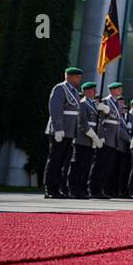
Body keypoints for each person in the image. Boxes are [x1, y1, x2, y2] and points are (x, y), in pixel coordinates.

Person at [43, 67, 82, 198]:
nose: (79, 79)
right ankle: (50, 188)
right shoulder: (60, 88)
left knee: (62, 162)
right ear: (69, 76)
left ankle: (57, 187)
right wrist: (58, 128)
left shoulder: (75, 92)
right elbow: (55, 108)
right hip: (59, 131)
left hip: (69, 132)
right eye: (77, 77)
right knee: (54, 160)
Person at [90, 82, 125, 199]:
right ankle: (94, 189)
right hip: (106, 136)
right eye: (119, 89)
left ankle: (101, 188)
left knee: (107, 165)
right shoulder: (106, 101)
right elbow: (100, 120)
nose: (121, 90)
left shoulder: (115, 103)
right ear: (112, 90)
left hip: (113, 137)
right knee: (100, 164)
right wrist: (101, 135)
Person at [67, 82, 102, 199]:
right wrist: (94, 136)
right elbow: (83, 123)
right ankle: (74, 190)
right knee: (78, 165)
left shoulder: (92, 104)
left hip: (90, 140)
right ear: (86, 91)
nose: (95, 92)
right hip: (82, 139)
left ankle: (82, 189)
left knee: (86, 165)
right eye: (93, 90)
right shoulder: (82, 104)